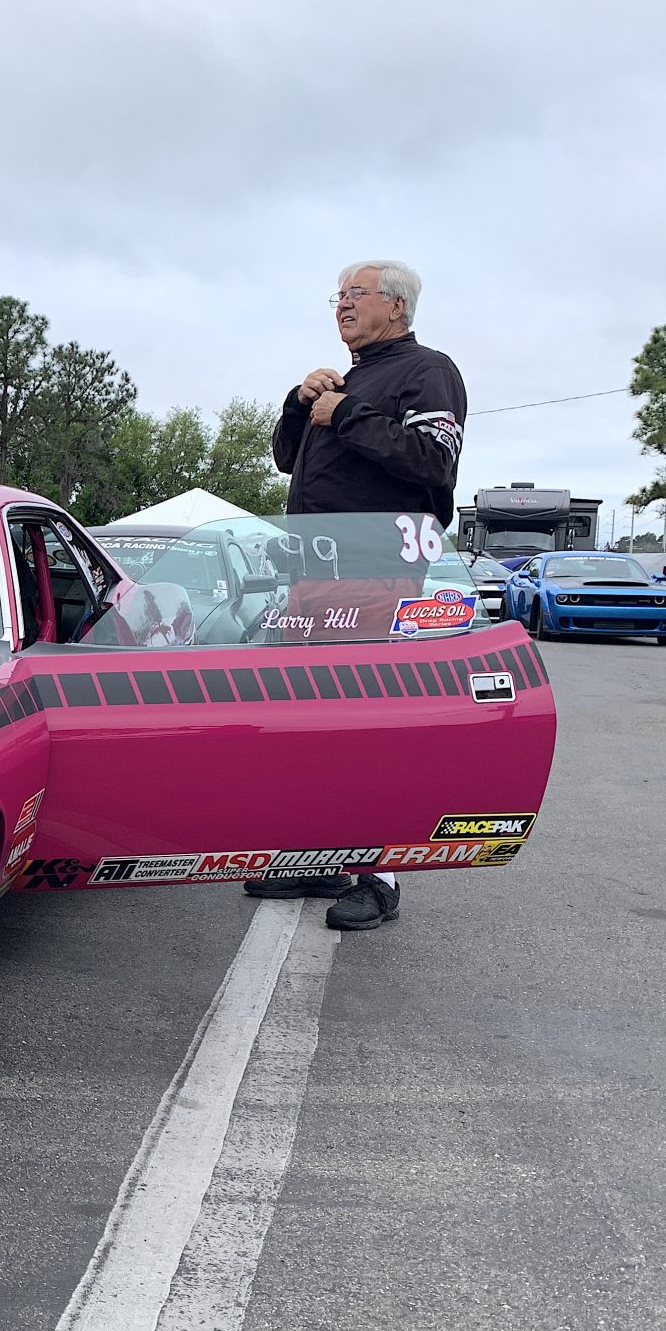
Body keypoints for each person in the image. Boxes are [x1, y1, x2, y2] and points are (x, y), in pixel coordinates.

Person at [246, 259, 467, 932]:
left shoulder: (427, 370)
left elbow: (434, 462)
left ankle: (382, 873)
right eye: (338, 294)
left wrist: (347, 412)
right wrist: (299, 401)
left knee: (374, 725)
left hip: (381, 576)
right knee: (313, 726)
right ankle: (320, 857)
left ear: (397, 306)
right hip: (311, 577)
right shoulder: (341, 379)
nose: (341, 304)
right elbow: (288, 458)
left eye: (356, 294)